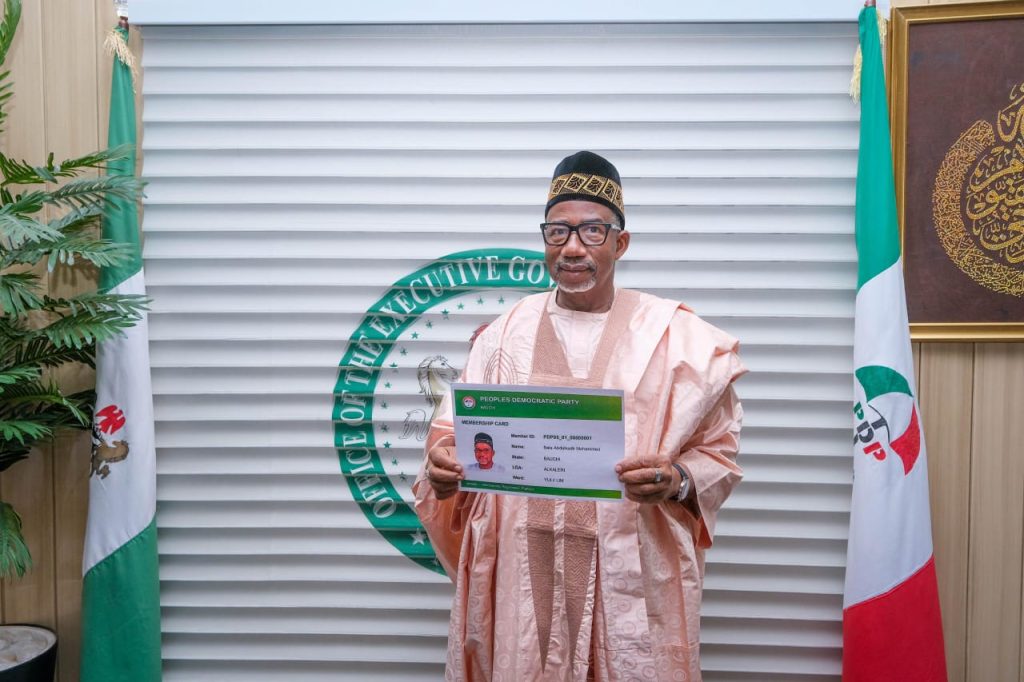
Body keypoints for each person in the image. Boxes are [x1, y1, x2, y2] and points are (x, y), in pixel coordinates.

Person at [413, 151, 746, 681]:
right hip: (522, 580)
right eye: (558, 231)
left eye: (593, 230)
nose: (572, 247)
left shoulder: (676, 340)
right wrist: (443, 472)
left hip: (631, 577)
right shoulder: (500, 337)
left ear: (620, 242)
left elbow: (718, 453)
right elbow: (450, 445)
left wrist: (679, 479)